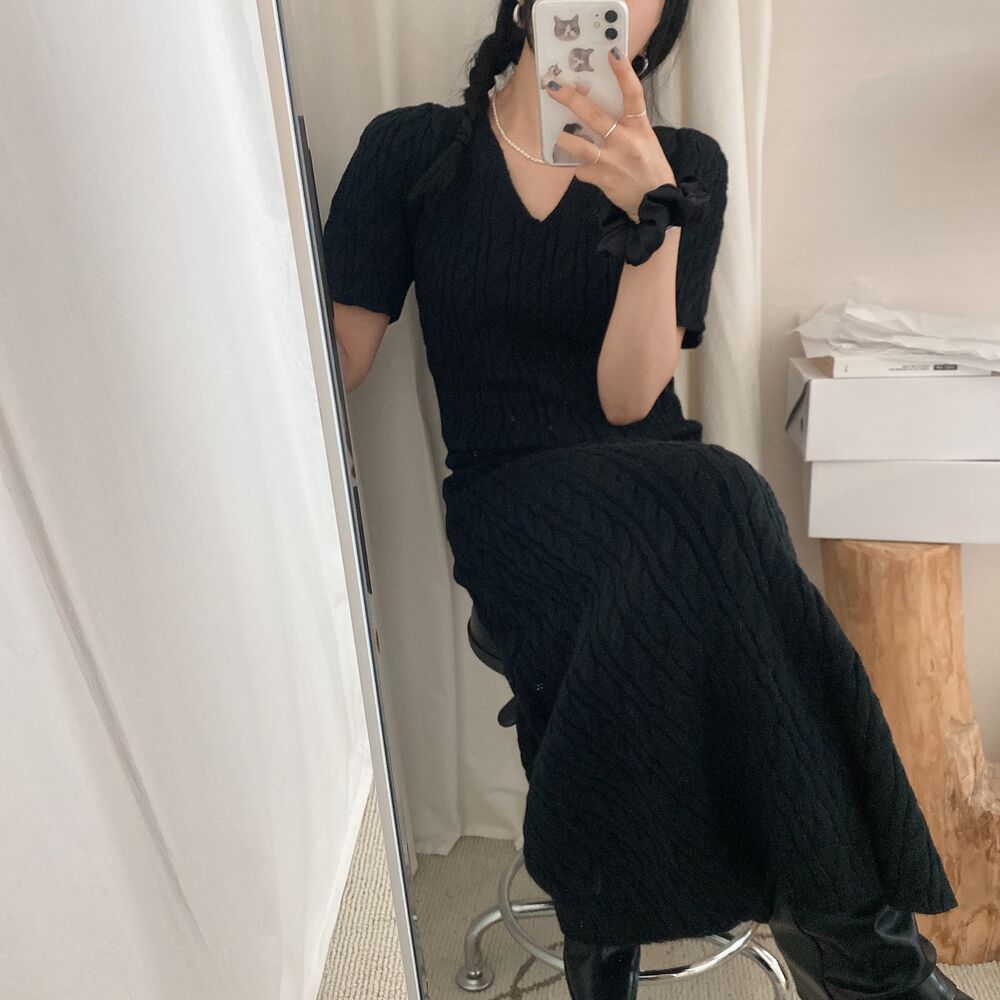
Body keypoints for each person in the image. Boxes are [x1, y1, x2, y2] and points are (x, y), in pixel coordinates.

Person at [322, 2, 972, 998]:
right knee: (721, 503)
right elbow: (340, 360)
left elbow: (629, 402)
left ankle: (631, 913)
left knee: (707, 508)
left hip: (655, 482)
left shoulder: (685, 164)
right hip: (513, 497)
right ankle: (870, 968)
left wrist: (655, 220)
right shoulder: (413, 151)